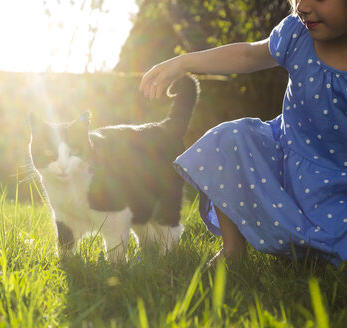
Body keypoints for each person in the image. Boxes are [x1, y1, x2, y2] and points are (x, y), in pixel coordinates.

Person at [139, 0, 347, 265]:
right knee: (229, 139)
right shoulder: (296, 33)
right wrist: (185, 62)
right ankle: (233, 249)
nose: (303, 6)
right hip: (284, 161)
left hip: (337, 184)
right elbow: (248, 55)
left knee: (327, 250)